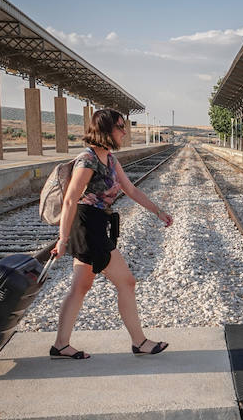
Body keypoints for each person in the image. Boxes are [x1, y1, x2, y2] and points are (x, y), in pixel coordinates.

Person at [50, 109, 173, 359]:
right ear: (105, 130)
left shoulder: (110, 159)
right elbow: (71, 199)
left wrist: (158, 211)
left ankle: (61, 345)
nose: (124, 131)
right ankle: (139, 342)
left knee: (80, 287)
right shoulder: (88, 160)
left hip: (95, 226)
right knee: (126, 282)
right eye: (119, 127)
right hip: (87, 228)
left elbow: (131, 190)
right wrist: (63, 239)